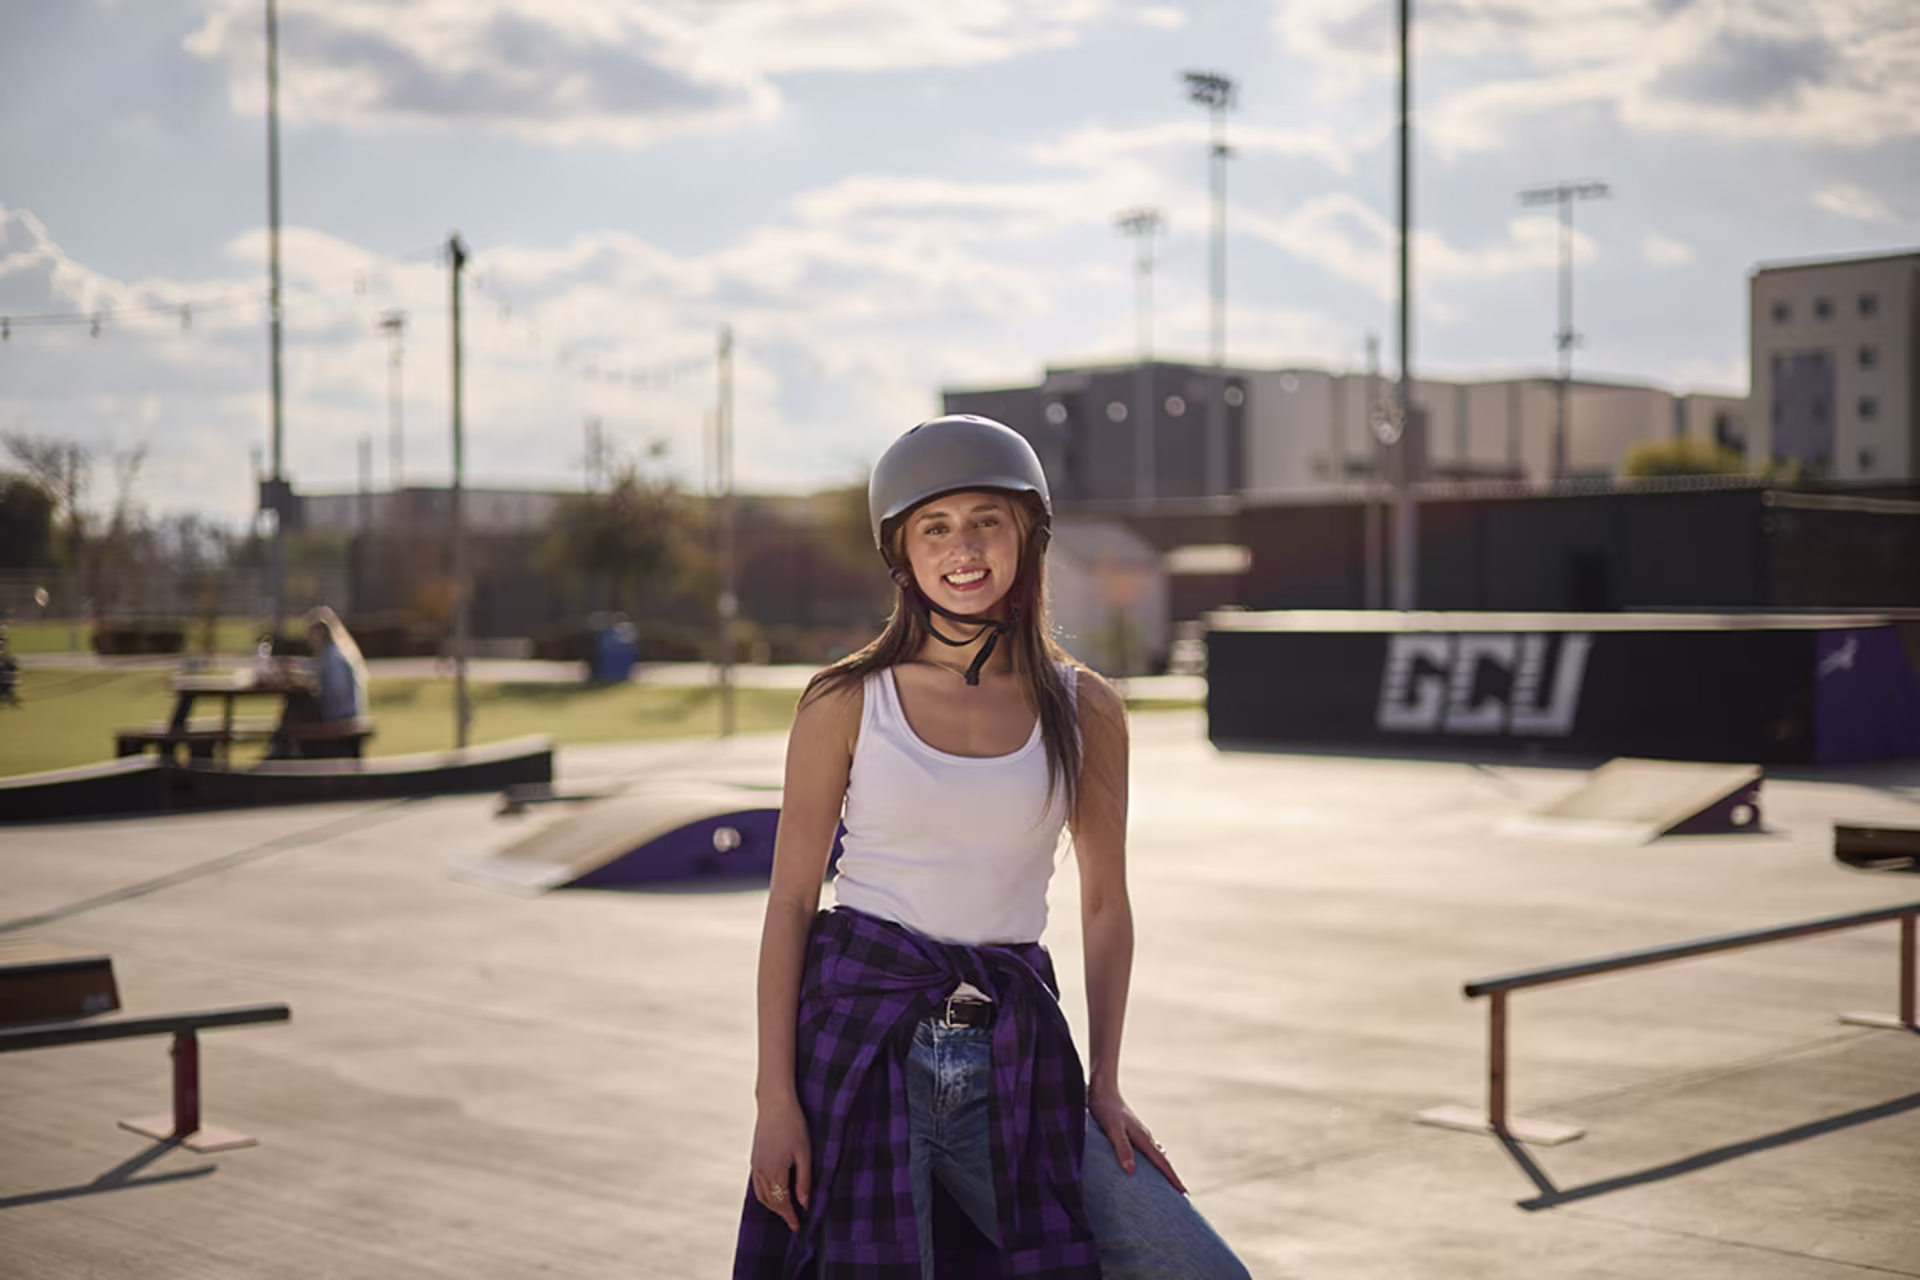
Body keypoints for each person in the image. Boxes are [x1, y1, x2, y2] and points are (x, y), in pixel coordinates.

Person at [734, 416, 1247, 1278]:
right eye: (934, 527)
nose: (962, 547)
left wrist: (1106, 1086)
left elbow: (1104, 904)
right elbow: (791, 903)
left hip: (1017, 1055)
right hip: (862, 1051)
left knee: (1194, 1268)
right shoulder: (846, 700)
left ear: (1027, 536)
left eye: (986, 520)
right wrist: (774, 1099)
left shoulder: (1086, 710)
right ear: (902, 553)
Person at [267, 607, 369, 758]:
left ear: (319, 634)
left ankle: (280, 751)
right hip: (339, 712)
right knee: (296, 705)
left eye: (310, 635)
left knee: (296, 704)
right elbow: (313, 667)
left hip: (339, 715)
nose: (308, 640)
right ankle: (280, 750)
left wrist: (314, 692)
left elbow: (336, 695)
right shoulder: (331, 653)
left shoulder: (335, 658)